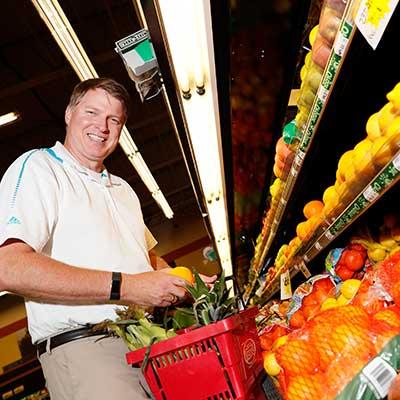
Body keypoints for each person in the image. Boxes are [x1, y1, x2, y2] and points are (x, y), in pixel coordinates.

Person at [0, 77, 215, 399]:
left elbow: (145, 260)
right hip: (88, 348)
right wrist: (128, 286)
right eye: (91, 112)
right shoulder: (40, 168)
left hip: (148, 339)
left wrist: (183, 281)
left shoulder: (123, 189)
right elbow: (8, 267)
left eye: (114, 120)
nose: (102, 126)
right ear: (69, 114)